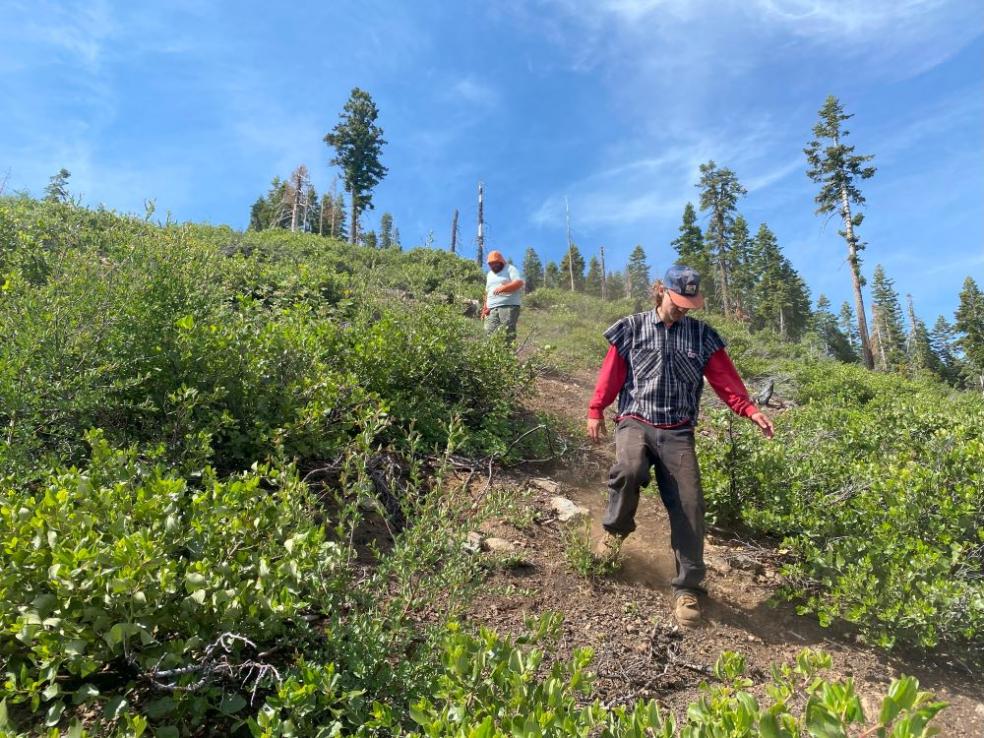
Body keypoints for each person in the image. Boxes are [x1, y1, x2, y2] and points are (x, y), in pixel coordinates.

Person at [586, 264, 774, 629]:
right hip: (635, 419)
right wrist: (596, 408)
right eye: (679, 300)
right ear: (661, 291)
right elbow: (612, 375)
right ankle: (614, 532)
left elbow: (724, 379)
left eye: (691, 302)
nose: (685, 307)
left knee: (690, 505)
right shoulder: (632, 328)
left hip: (678, 430)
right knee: (629, 469)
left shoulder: (703, 337)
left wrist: (748, 409)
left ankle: (687, 589)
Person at [481, 250, 525, 341]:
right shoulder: (489, 274)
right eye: (491, 264)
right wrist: (485, 307)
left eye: (495, 263)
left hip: (508, 306)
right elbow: (487, 292)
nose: (493, 266)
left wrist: (503, 288)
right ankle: (491, 354)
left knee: (507, 333)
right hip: (491, 308)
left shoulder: (510, 268)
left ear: (501, 261)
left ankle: (508, 354)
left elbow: (519, 283)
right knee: (489, 333)